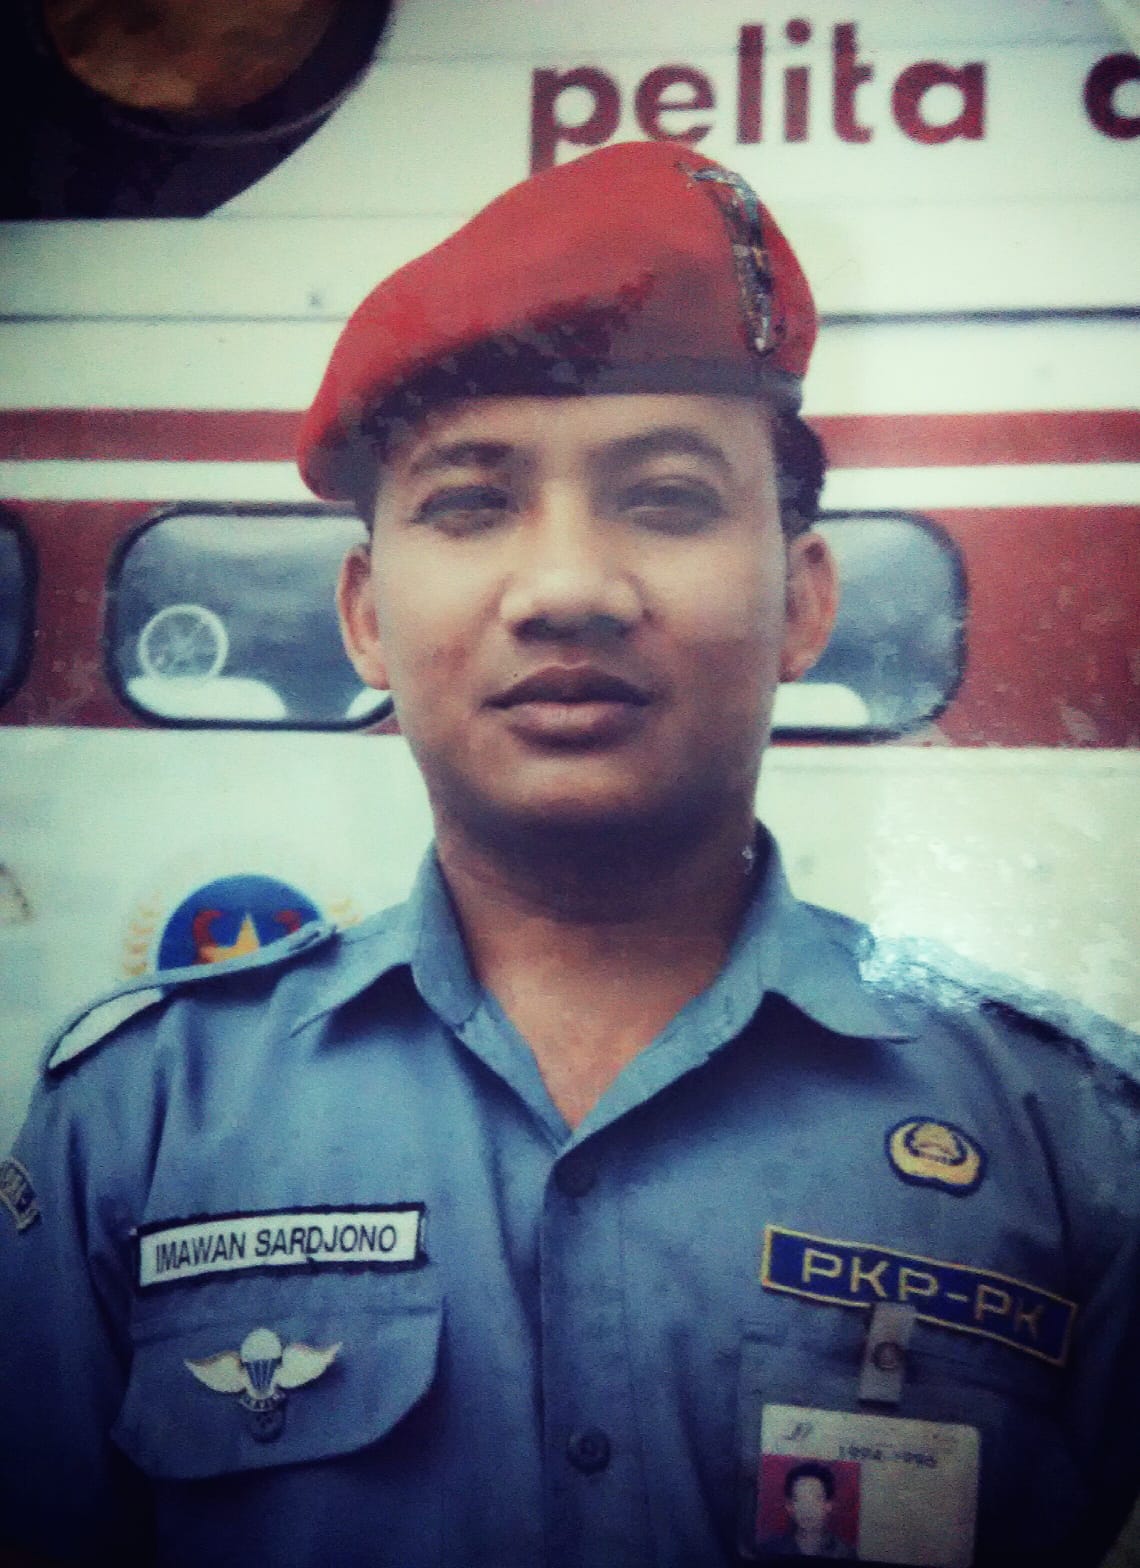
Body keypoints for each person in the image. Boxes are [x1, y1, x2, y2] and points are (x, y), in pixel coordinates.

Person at [1, 140, 1138, 1568]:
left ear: (802, 598)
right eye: (470, 504)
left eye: (665, 499)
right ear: (365, 614)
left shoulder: (1072, 1146)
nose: (567, 590)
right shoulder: (139, 1125)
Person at [757, 1462, 856, 1559]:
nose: (807, 1508)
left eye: (815, 1499)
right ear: (789, 1506)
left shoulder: (845, 1554)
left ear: (828, 1505)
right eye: (800, 1500)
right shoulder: (770, 1549)